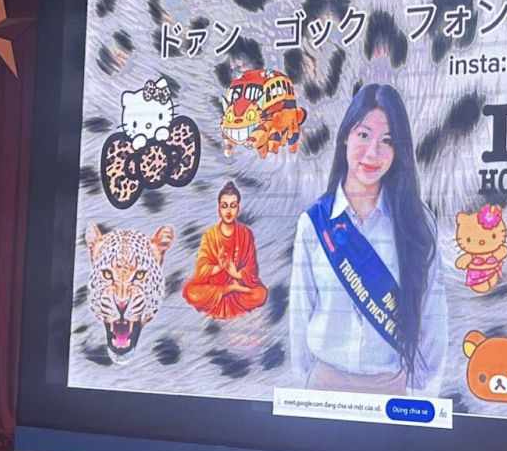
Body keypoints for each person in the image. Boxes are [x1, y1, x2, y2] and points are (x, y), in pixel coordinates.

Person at [288, 84, 447, 396]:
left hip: (391, 388)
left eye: (387, 140)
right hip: (323, 387)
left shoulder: (417, 223)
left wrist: (424, 397)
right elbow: (299, 316)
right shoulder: (314, 223)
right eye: (363, 135)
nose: (373, 152)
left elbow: (432, 316)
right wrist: (302, 390)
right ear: (345, 137)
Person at [182, 182, 268, 319]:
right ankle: (228, 289)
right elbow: (201, 270)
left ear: (238, 209)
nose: (228, 211)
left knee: (261, 293)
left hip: (238, 287)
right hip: (215, 288)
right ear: (219, 210)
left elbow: (252, 271)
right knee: (190, 291)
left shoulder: (245, 233)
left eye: (233, 206)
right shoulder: (210, 234)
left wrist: (235, 273)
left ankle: (233, 288)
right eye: (224, 206)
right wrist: (219, 267)